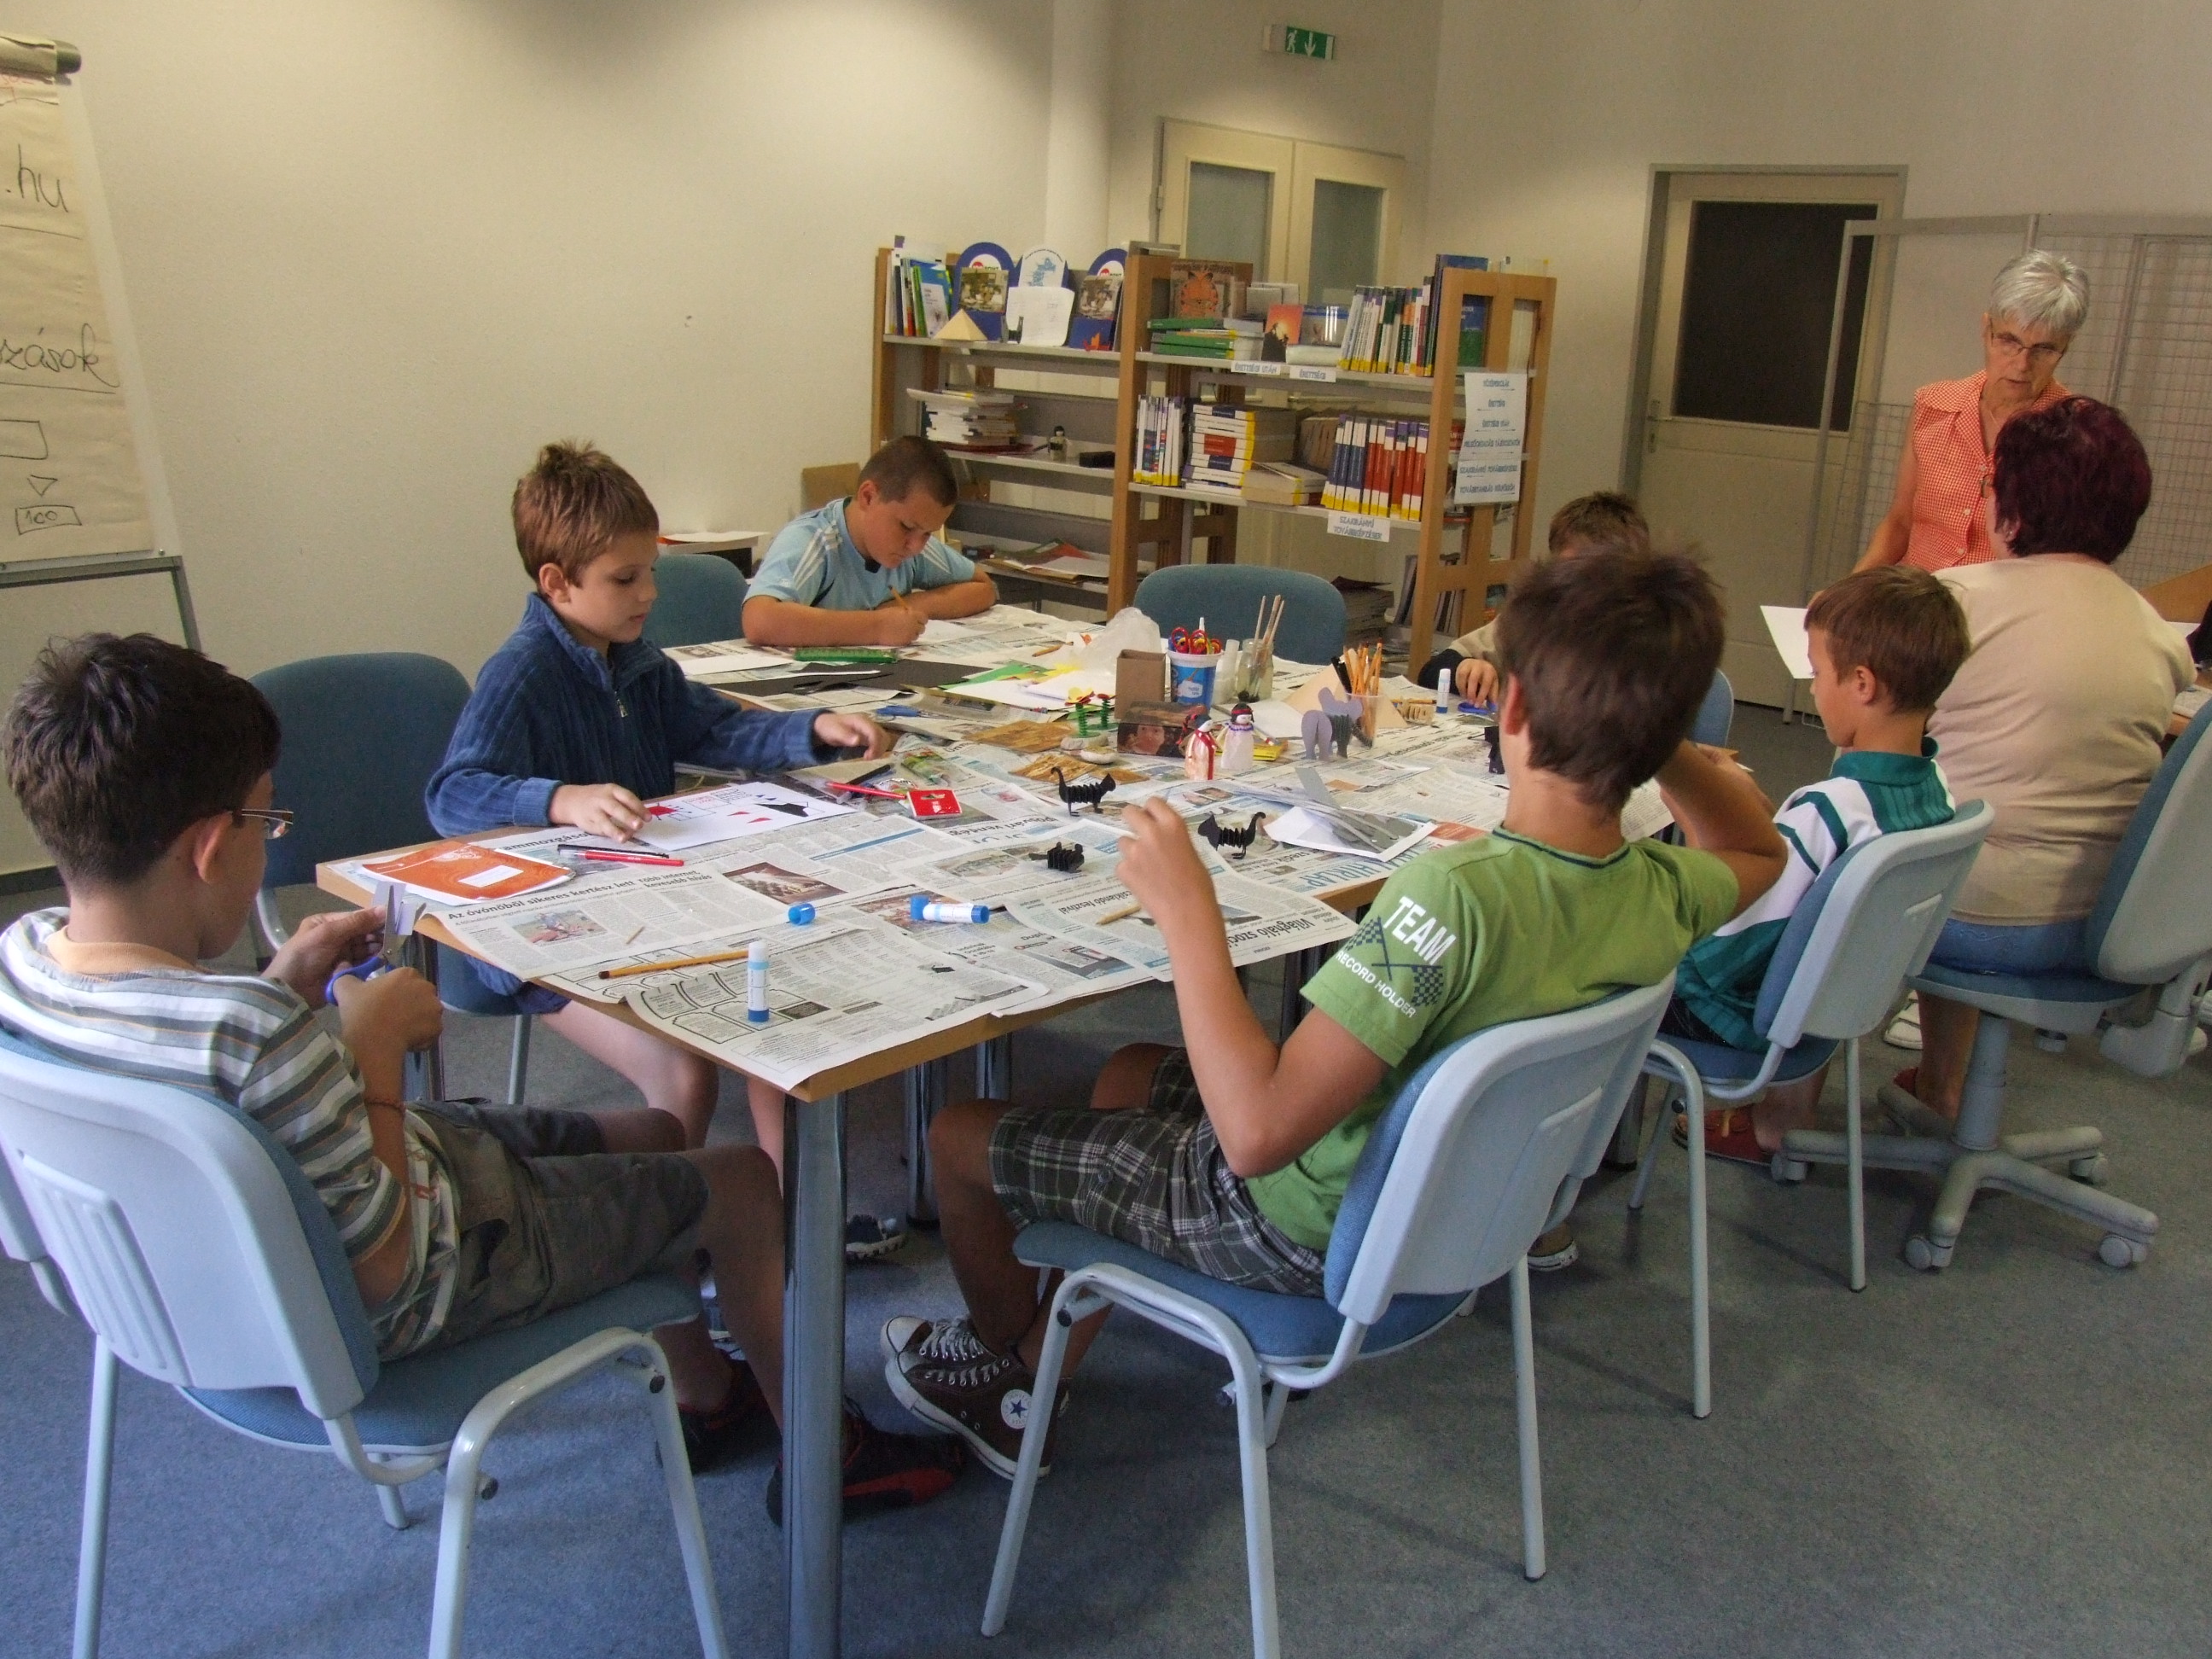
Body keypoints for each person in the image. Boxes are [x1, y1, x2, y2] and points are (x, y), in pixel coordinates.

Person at [0, 632, 963, 1514]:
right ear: (211, 848)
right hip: (404, 1286)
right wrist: (374, 1049)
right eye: (266, 823)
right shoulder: (252, 1037)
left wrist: (287, 980)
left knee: (660, 1136)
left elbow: (201, 1067)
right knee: (743, 1182)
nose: (269, 841)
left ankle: (706, 1390)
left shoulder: (26, 963)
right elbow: (384, 1267)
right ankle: (826, 1456)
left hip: (205, 1288)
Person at [878, 549, 1787, 1477]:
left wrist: (1190, 916)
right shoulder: (1659, 888)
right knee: (1126, 1073)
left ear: (1510, 708)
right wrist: (1651, 735)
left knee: (959, 1136)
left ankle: (1008, 1386)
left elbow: (1255, 1138)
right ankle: (1053, 1350)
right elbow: (1761, 848)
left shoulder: (1454, 898)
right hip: (1446, 1198)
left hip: (1302, 1223)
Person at [425, 441, 907, 1262]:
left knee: (780, 1026)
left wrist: (811, 730)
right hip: (549, 936)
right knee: (683, 1075)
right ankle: (672, 1249)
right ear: (557, 582)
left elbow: (713, 729)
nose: (649, 594)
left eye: (649, 572)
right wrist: (559, 799)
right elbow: (452, 793)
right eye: (626, 579)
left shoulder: (638, 663)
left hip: (650, 902)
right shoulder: (521, 672)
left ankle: (784, 1236)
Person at [1898, 398, 2192, 1119]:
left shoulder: (1952, 602)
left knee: (1845, 848)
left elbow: (1874, 753)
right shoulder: (2159, 635)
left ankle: (1776, 1115)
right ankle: (1942, 1086)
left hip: (1965, 912)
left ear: (2013, 507)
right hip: (2107, 927)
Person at [1662, 566, 1970, 1160]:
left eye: (1818, 673)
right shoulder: (1934, 788)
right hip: (1830, 1007)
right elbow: (1810, 877)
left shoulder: (1825, 810)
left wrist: (1701, 815)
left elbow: (1718, 939)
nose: (1812, 689)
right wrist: (1755, 815)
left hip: (1732, 1015)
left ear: (1862, 683)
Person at [1854, 250, 2087, 575]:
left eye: (2044, 349)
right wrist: (1848, 591)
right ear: (1986, 328)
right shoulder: (1934, 406)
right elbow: (1901, 521)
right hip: (1916, 597)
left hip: (2006, 602)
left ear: (2066, 346)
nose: (2022, 364)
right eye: (2009, 341)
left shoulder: (2076, 431)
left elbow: (2069, 561)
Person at [742, 435, 997, 647]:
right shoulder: (815, 540)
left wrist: (912, 605)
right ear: (868, 497)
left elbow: (983, 587)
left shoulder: (911, 546)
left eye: (928, 533)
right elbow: (759, 620)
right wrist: (878, 626)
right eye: (906, 527)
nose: (917, 546)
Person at [1414, 491, 1650, 707]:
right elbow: (1432, 671)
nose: (1580, 586)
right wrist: (1465, 669)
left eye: (1597, 573)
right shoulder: (1539, 615)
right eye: (1568, 571)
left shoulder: (1649, 635)